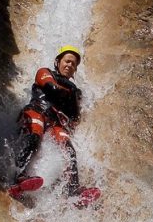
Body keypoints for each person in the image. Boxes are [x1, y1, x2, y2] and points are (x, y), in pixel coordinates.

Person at [10, 45, 92, 202]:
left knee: (69, 149)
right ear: (58, 62)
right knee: (36, 132)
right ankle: (18, 176)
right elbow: (51, 87)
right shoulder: (44, 72)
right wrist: (71, 92)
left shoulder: (75, 91)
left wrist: (74, 97)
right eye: (67, 61)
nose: (69, 65)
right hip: (35, 112)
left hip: (54, 122)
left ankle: (72, 190)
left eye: (73, 64)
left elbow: (74, 118)